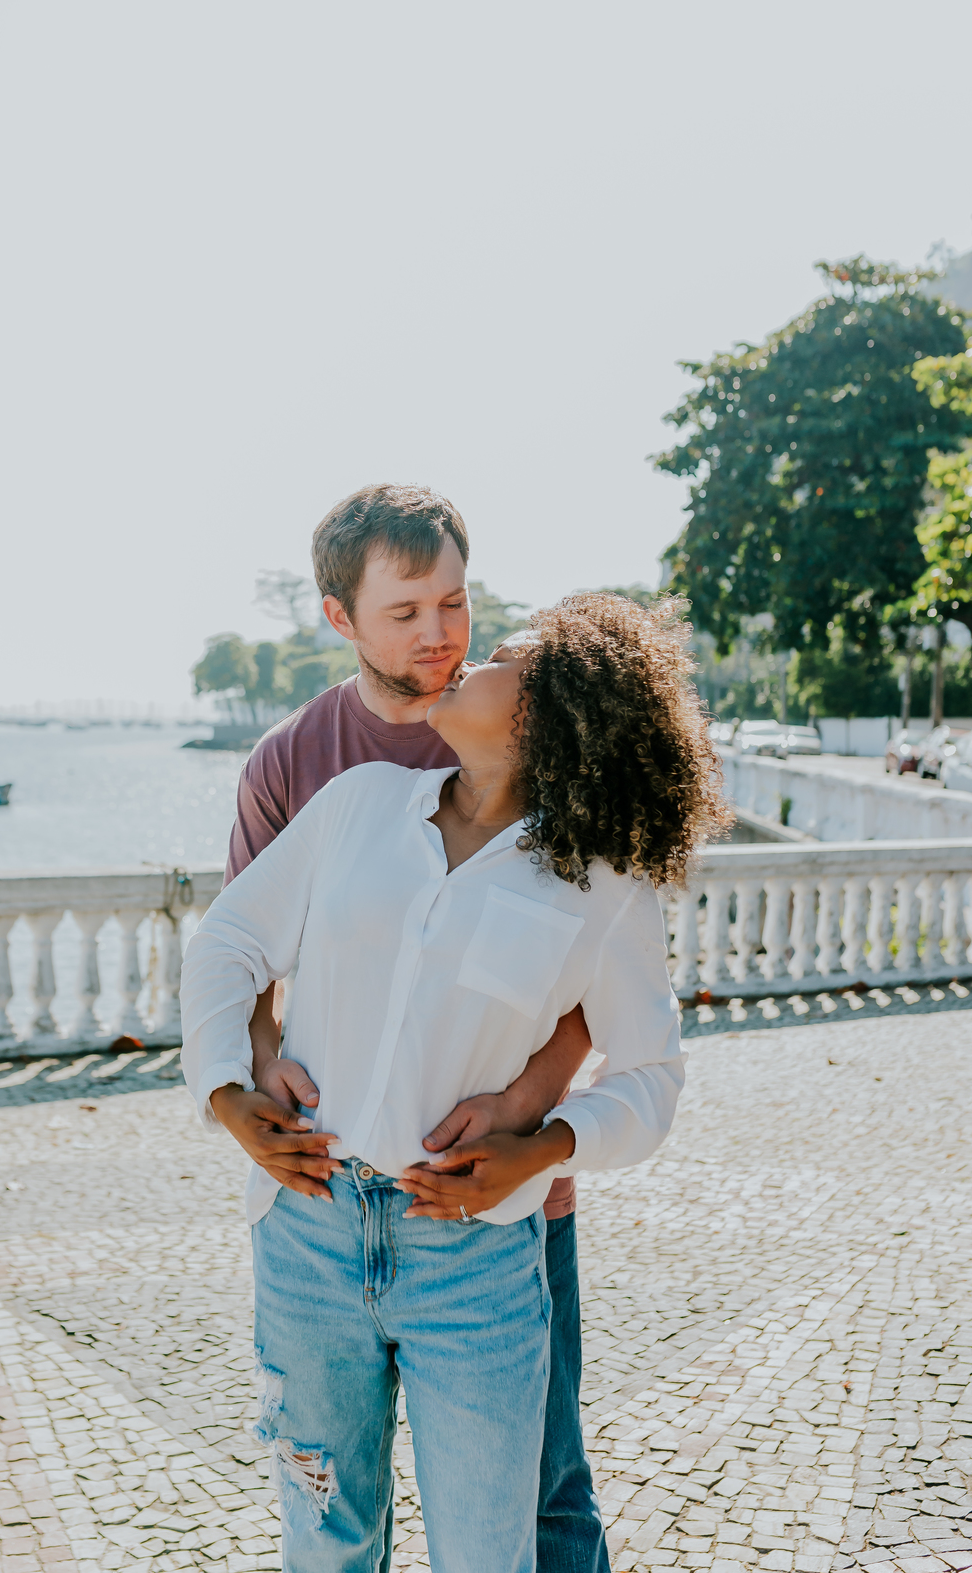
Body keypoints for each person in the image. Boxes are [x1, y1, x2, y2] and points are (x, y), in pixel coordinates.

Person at [181, 584, 729, 1572]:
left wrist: (544, 1144)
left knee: (489, 1554)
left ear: (547, 712)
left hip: (472, 1265)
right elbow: (227, 943)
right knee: (325, 1536)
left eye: (498, 656)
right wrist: (230, 1095)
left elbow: (651, 1077)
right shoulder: (354, 807)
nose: (461, 660)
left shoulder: (602, 881)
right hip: (307, 1239)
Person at [225, 484, 605, 1568]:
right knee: (333, 1504)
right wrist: (254, 1078)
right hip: (329, 1194)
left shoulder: (536, 732)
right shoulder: (293, 767)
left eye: (454, 601)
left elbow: (592, 994)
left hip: (499, 1201)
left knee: (541, 1493)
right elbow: (244, 957)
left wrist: (530, 1127)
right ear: (341, 618)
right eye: (406, 612)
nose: (440, 635)